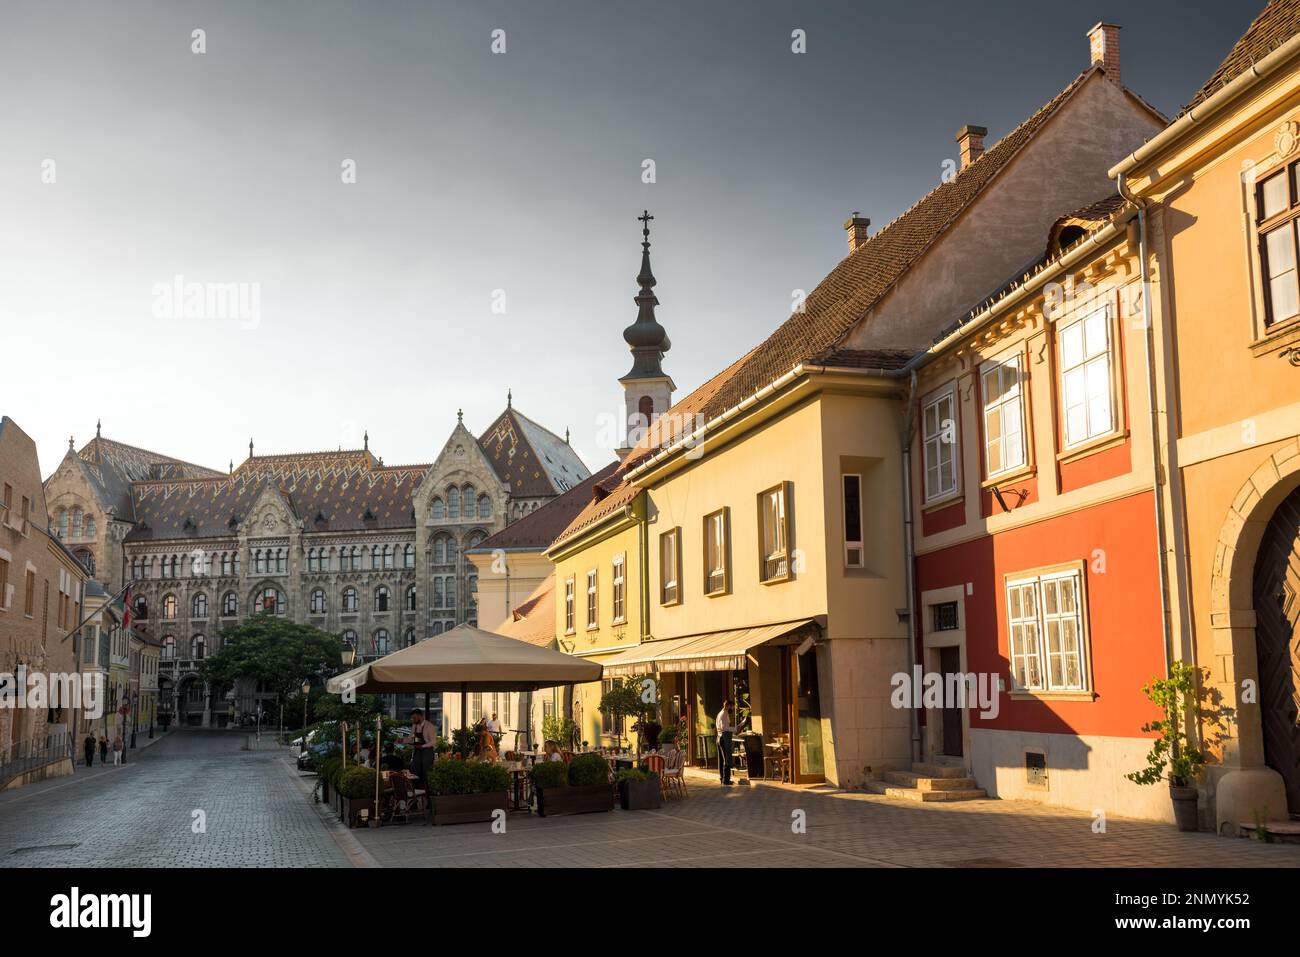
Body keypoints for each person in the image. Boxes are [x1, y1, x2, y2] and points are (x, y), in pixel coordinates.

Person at [397, 709, 436, 783]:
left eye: (414, 718)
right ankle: (416, 790)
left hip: (427, 752)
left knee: (425, 772)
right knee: (415, 771)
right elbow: (411, 739)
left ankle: (426, 791)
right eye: (412, 718)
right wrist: (401, 740)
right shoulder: (414, 726)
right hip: (417, 751)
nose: (413, 720)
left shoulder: (429, 726)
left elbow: (433, 742)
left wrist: (422, 746)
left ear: (420, 716)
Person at [715, 701, 735, 786]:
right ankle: (726, 780)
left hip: (719, 737)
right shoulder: (724, 714)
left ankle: (722, 778)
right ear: (727, 706)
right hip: (724, 737)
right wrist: (734, 729)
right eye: (732, 707)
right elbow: (724, 727)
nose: (732, 709)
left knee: (721, 759)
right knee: (726, 758)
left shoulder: (720, 713)